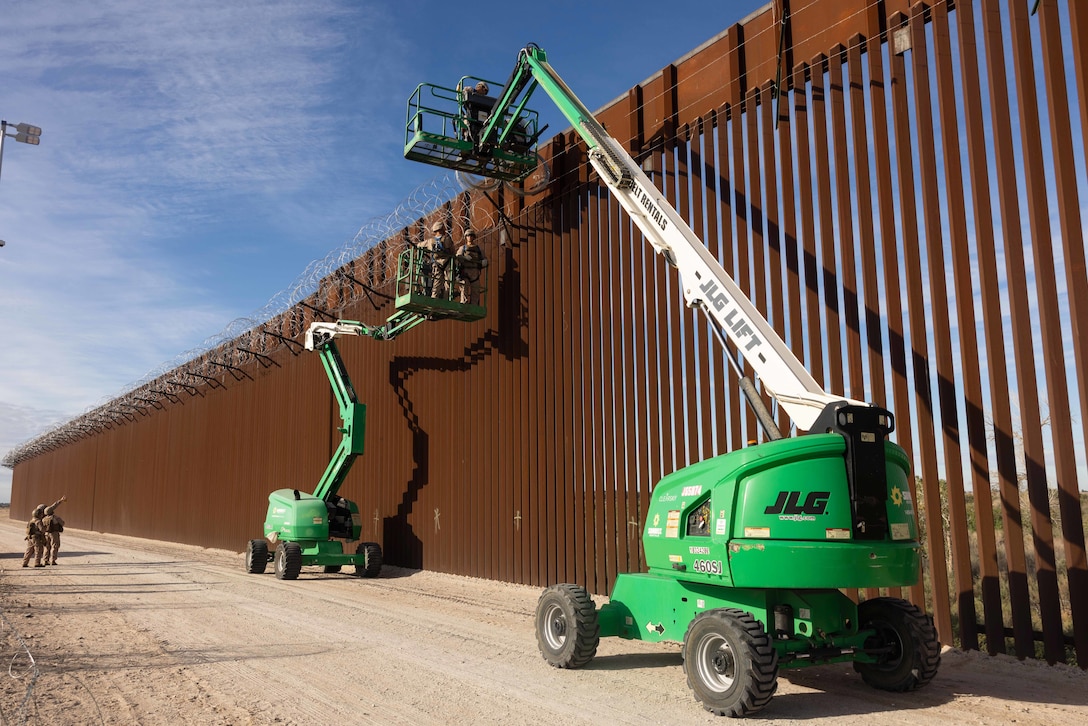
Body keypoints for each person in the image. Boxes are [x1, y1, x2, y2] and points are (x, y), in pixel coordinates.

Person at [417, 220, 451, 299]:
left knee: (437, 282)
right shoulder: (447, 239)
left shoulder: (430, 241)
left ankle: (434, 297)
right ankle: (446, 299)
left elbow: (419, 245)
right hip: (447, 263)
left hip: (436, 264)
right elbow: (452, 252)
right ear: (443, 229)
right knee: (448, 282)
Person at [454, 229, 488, 305]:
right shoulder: (462, 248)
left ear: (474, 237)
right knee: (464, 288)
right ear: (466, 237)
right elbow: (457, 257)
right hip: (465, 273)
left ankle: (474, 305)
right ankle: (464, 304)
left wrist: (484, 261)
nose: (469, 237)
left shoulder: (479, 249)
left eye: (471, 235)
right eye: (468, 236)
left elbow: (484, 258)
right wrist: (464, 258)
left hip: (475, 273)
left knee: (475, 290)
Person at [41, 495, 67, 565]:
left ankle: (45, 560)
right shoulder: (55, 517)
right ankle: (53, 560)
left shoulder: (43, 519)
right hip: (54, 533)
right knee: (54, 546)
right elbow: (62, 523)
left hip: (46, 534)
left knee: (47, 547)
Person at [22, 504, 47, 568]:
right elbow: (42, 530)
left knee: (29, 550)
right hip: (37, 538)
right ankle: (37, 563)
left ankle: (24, 562)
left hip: (30, 537)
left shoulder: (31, 521)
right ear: (39, 515)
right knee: (38, 550)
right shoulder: (38, 521)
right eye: (41, 514)